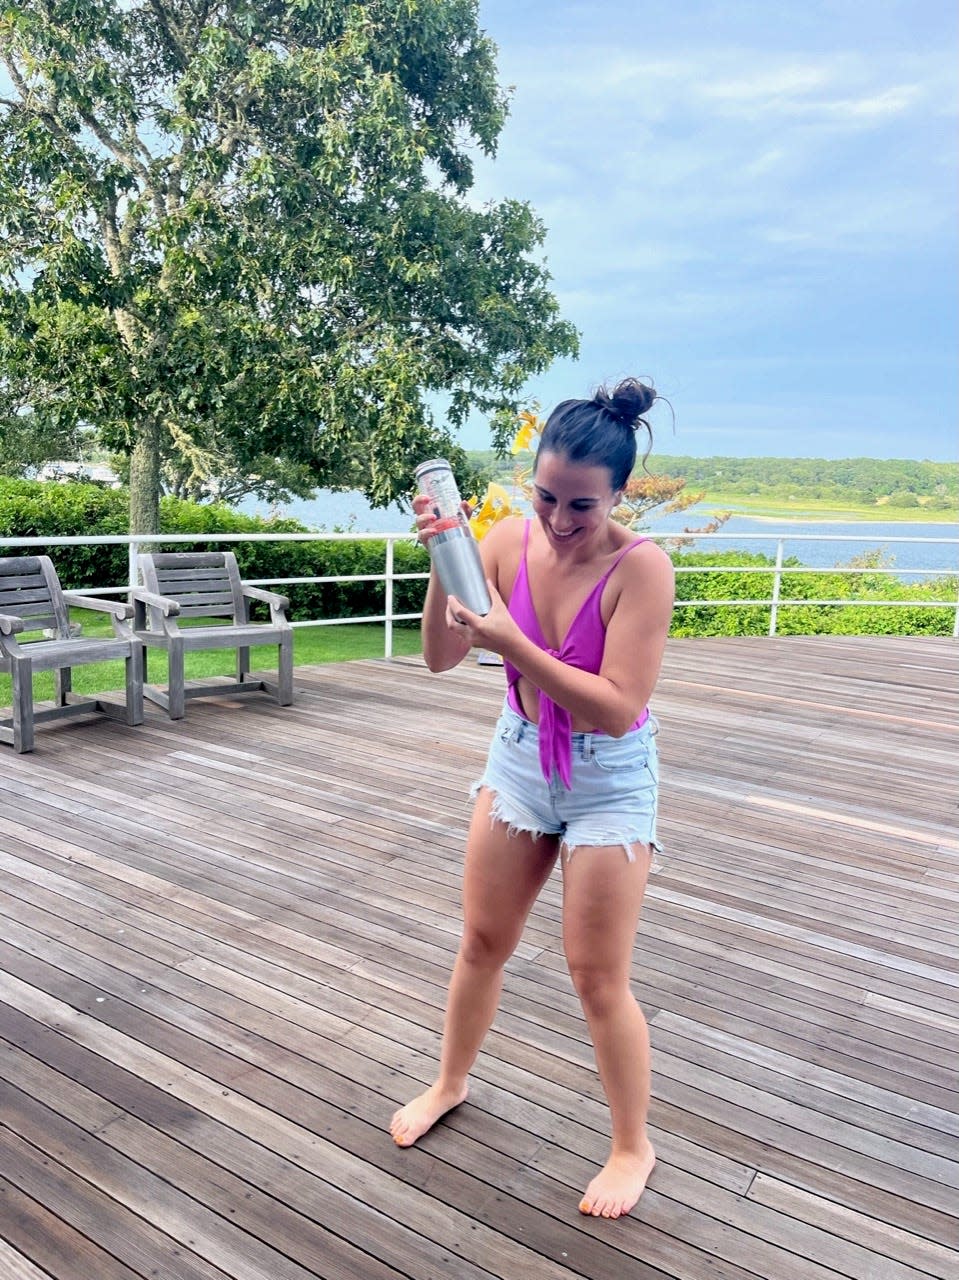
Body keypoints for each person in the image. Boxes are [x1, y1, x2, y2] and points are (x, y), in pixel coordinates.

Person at [390, 378, 675, 1220]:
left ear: (619, 495)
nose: (557, 520)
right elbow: (441, 657)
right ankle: (449, 1082)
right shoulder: (507, 541)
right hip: (518, 756)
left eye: (581, 506)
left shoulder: (641, 570)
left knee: (596, 977)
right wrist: (450, 560)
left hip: (609, 774)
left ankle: (632, 1146)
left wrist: (513, 641)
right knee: (481, 939)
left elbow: (618, 706)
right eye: (545, 496)